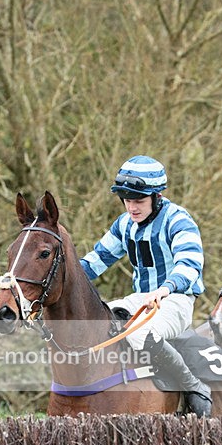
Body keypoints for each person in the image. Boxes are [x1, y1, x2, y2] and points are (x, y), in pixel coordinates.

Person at [80, 155, 211, 416]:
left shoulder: (179, 220)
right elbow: (97, 260)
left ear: (156, 196)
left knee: (138, 333)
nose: (132, 207)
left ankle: (193, 387)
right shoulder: (124, 224)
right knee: (95, 321)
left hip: (176, 298)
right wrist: (62, 279)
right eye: (127, 201)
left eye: (139, 200)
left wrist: (166, 288)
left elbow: (190, 264)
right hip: (140, 298)